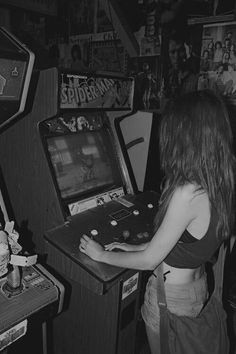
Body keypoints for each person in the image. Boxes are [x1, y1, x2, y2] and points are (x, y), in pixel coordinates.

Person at [79, 89, 235, 354]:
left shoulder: (187, 192)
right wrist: (133, 248)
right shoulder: (223, 178)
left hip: (169, 298)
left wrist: (101, 254)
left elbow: (150, 261)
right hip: (196, 287)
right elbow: (183, 244)